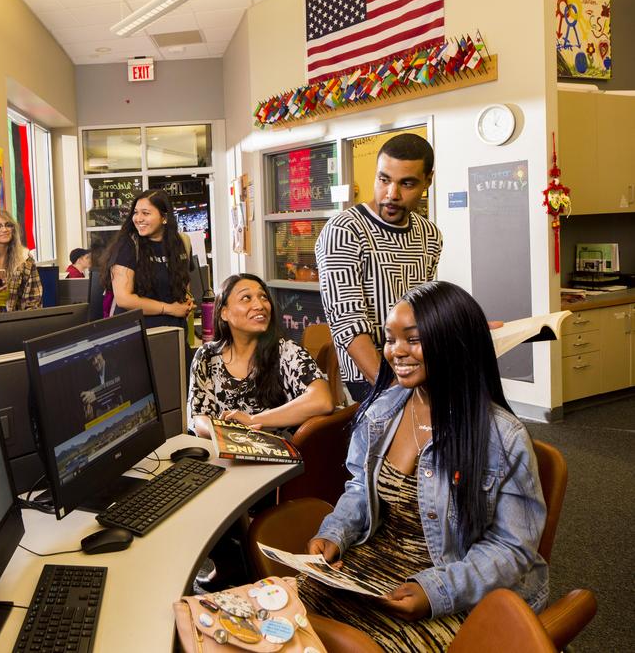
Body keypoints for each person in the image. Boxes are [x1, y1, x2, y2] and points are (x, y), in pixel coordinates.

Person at [299, 281, 547, 651]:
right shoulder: (381, 411)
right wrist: (335, 533)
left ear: (453, 342)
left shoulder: (503, 437)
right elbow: (358, 489)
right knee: (293, 617)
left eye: (412, 339)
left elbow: (512, 549)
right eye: (389, 339)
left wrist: (436, 592)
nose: (395, 352)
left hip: (458, 580)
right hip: (377, 560)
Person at [315, 133, 442, 402]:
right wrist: (392, 390)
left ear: (428, 180)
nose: (392, 194)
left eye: (407, 183)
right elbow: (348, 325)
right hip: (369, 380)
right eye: (384, 180)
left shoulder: (429, 234)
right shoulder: (345, 231)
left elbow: (424, 309)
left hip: (418, 371)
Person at [188, 273, 334, 437]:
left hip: (279, 458)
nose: (260, 305)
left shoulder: (287, 351)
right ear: (224, 313)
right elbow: (200, 418)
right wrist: (231, 436)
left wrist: (252, 420)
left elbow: (322, 401)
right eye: (246, 298)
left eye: (263, 297)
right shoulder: (207, 356)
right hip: (225, 455)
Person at [101, 189, 194, 329]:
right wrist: (169, 308)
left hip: (175, 333)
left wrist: (187, 300)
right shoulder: (128, 245)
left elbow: (183, 284)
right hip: (138, 336)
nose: (138, 218)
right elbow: (124, 299)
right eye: (136, 212)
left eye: (146, 213)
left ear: (164, 218)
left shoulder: (181, 242)